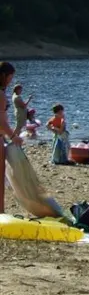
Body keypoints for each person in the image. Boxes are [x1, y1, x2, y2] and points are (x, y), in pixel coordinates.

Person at [0, 61, 24, 212]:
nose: (10, 81)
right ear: (3, 75)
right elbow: (1, 121)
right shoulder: (1, 95)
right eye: (10, 77)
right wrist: (13, 136)